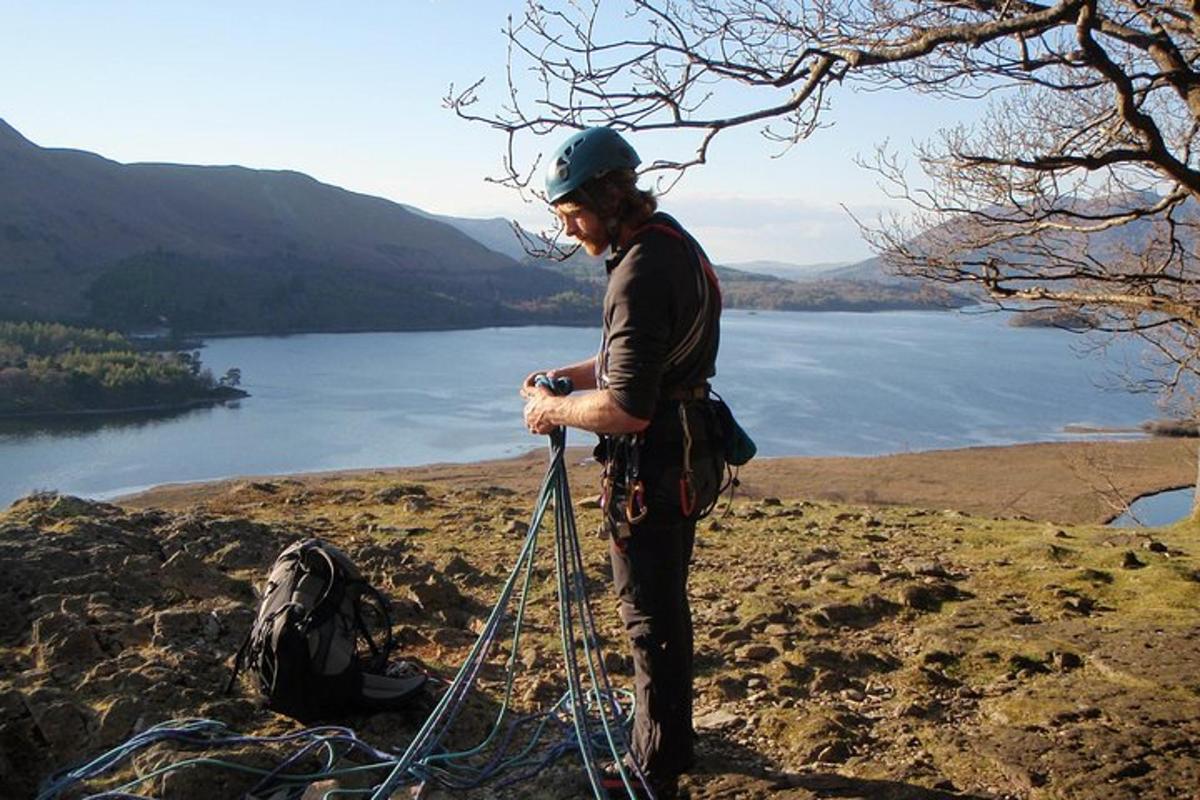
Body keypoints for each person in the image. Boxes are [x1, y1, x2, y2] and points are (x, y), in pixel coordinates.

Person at [521, 127, 724, 799]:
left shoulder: (639, 270)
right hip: (681, 457)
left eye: (572, 213)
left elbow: (629, 406)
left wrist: (554, 411)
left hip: (654, 466)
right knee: (661, 606)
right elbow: (627, 363)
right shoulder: (669, 244)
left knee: (649, 616)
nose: (569, 228)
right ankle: (669, 745)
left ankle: (654, 768)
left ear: (609, 196)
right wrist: (565, 375)